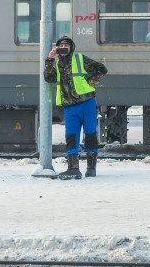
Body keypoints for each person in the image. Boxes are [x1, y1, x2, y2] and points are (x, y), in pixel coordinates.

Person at [44, 36, 108, 180]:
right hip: (70, 106)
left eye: (67, 45)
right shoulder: (57, 64)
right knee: (71, 137)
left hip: (86, 102)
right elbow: (48, 78)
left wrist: (89, 80)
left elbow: (102, 69)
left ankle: (91, 168)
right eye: (61, 46)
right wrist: (50, 58)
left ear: (71, 48)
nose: (64, 48)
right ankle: (73, 169)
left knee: (90, 134)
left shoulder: (80, 59)